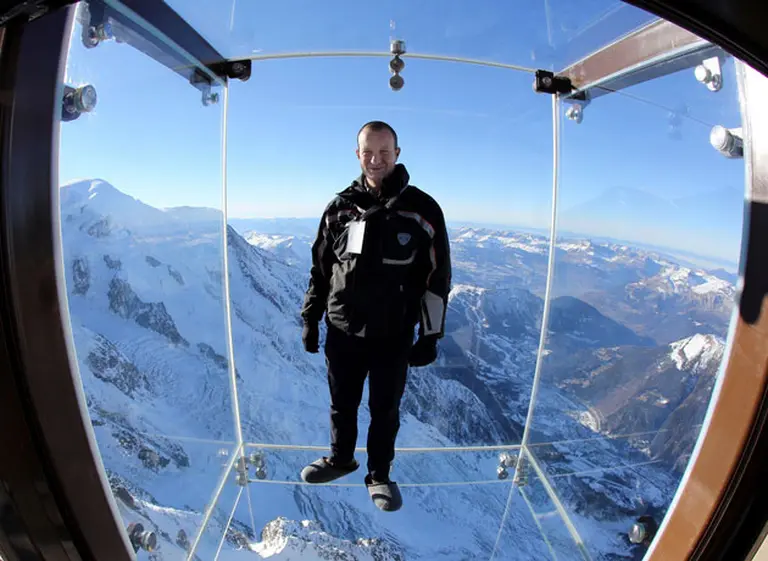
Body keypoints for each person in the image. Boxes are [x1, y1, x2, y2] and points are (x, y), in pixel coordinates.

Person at [299, 121, 451, 512]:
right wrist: (310, 317)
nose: (376, 159)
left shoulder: (422, 210)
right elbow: (321, 268)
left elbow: (438, 278)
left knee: (384, 409)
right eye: (368, 151)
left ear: (397, 154)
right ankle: (340, 459)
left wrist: (431, 335)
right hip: (342, 327)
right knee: (341, 403)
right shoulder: (339, 209)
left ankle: (379, 474)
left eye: (384, 152)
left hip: (392, 333)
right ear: (357, 154)